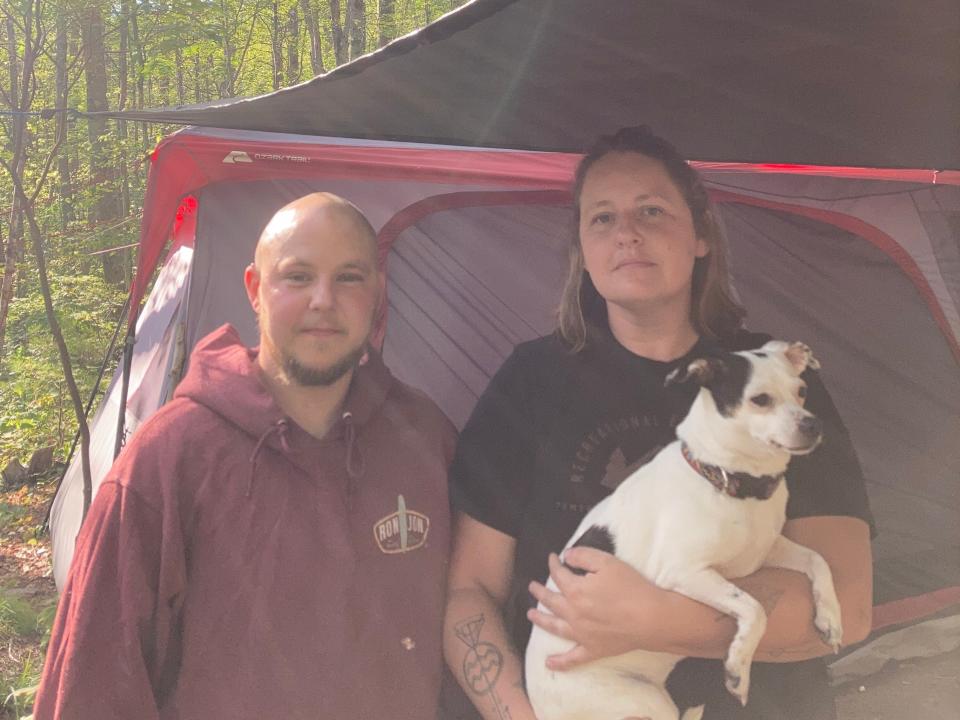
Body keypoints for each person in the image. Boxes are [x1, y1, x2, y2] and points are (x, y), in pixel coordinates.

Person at [442, 127, 873, 720]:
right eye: (602, 219)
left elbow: (848, 603)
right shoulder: (531, 382)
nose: (627, 233)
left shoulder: (773, 379)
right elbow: (470, 591)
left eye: (651, 209)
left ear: (700, 235)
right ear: (582, 251)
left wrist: (653, 620)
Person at [35, 193, 456, 719]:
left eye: (349, 277)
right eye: (297, 277)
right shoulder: (169, 459)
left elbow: (468, 626)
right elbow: (92, 687)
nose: (323, 299)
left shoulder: (424, 441)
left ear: (378, 292)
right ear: (255, 290)